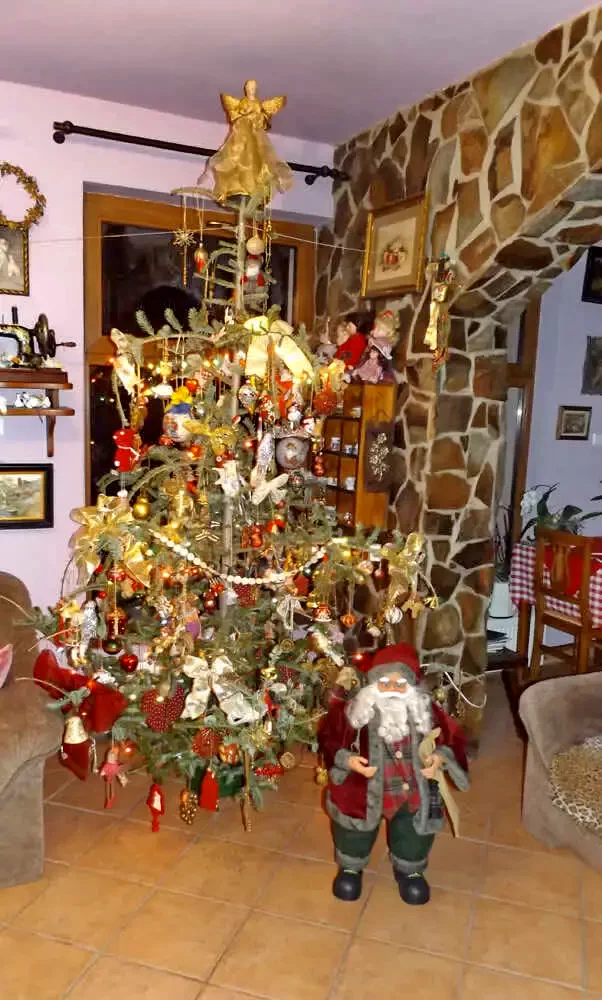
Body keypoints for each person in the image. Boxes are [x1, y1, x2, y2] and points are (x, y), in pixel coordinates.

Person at [319, 642, 469, 905]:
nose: (391, 690)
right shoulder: (356, 710)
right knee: (353, 827)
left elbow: (451, 736)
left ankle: (409, 868)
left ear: (411, 685)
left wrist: (440, 757)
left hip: (412, 787)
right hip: (363, 785)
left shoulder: (425, 710)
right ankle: (351, 866)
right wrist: (346, 760)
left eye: (399, 684)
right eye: (384, 683)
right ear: (373, 683)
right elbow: (330, 736)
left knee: (414, 827)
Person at [200, 79, 293, 202]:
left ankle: (253, 183)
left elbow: (263, 117)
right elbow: (237, 114)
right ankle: (239, 183)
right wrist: (246, 116)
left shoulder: (258, 103)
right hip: (242, 135)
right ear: (246, 89)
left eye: (254, 88)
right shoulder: (243, 102)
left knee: (256, 157)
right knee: (239, 155)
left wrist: (258, 118)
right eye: (250, 88)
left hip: (255, 135)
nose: (252, 90)